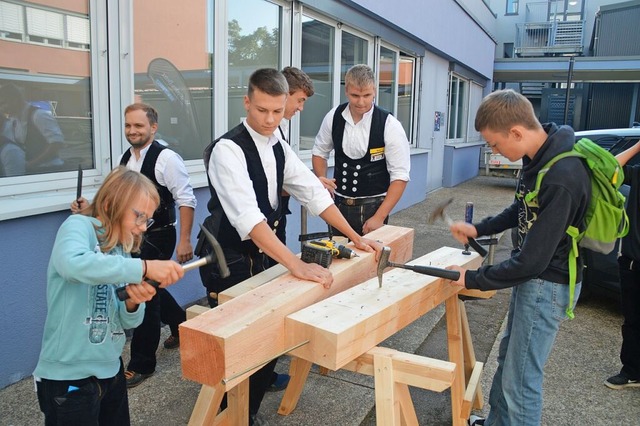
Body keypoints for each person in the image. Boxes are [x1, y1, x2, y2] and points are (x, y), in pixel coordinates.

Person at [201, 68, 382, 425]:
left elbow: (313, 193)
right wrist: (294, 265)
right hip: (230, 255)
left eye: (277, 111)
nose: (270, 119)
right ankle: (233, 415)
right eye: (262, 110)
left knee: (268, 335)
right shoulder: (228, 149)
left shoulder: (278, 145)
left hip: (265, 251)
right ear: (247, 102)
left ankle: (251, 398)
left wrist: (355, 236)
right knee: (237, 344)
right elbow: (250, 220)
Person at [445, 89, 591, 426]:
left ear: (516, 132)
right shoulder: (537, 157)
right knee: (509, 358)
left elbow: (532, 262)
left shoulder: (563, 176)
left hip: (547, 284)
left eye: (495, 145)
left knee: (521, 380)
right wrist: (478, 229)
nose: (495, 152)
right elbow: (521, 208)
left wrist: (471, 279)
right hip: (534, 281)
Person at [34, 166, 184, 426]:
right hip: (69, 378)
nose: (142, 228)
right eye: (138, 217)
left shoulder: (121, 252)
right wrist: (145, 266)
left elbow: (127, 324)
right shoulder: (78, 227)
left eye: (146, 220)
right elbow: (72, 264)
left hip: (110, 371)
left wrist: (133, 302)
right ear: (109, 203)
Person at [73, 103, 197, 388]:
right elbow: (117, 199)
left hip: (160, 235)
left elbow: (186, 200)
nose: (132, 131)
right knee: (149, 287)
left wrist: (185, 240)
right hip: (133, 235)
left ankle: (142, 364)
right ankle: (180, 324)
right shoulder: (125, 159)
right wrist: (90, 208)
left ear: (153, 127)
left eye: (139, 126)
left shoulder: (167, 159)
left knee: (144, 294)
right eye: (128, 126)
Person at [312, 64, 410, 236]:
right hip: (338, 205)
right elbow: (320, 152)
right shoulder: (333, 117)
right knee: (338, 260)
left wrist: (380, 217)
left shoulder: (389, 124)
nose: (361, 102)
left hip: (374, 207)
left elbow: (400, 176)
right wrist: (323, 184)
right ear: (346, 90)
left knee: (373, 260)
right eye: (355, 95)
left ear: (374, 91)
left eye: (367, 95)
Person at [265, 66, 316, 393]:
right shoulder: (265, 135)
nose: (300, 108)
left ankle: (266, 371)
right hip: (260, 231)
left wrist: (308, 183)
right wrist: (302, 186)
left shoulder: (279, 135)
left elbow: (284, 177)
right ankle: (259, 375)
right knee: (268, 297)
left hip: (274, 222)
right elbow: (271, 185)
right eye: (299, 101)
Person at [604, 140, 640, 390]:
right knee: (632, 321)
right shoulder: (637, 171)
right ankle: (632, 371)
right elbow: (610, 167)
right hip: (632, 262)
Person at [0, 83, 65, 173]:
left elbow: (57, 144)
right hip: (33, 171)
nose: (2, 108)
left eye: (3, 103)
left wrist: (32, 163)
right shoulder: (14, 121)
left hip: (50, 170)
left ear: (14, 99)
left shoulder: (39, 115)